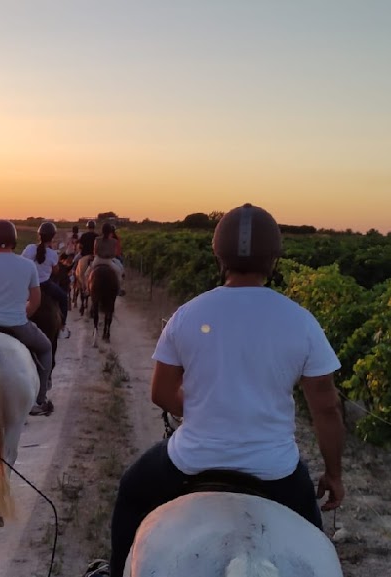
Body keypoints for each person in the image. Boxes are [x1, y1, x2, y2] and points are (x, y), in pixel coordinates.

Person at [88, 203, 346, 577]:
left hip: (191, 460)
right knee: (315, 544)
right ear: (274, 259)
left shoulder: (188, 314)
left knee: (131, 491)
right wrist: (334, 475)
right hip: (275, 468)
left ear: (218, 256)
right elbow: (327, 409)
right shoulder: (301, 321)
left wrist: (203, 408)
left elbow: (161, 393)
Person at [0, 220, 55, 416]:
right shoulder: (27, 265)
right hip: (18, 324)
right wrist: (20, 315)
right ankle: (39, 399)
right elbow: (35, 300)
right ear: (14, 240)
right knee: (46, 348)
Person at [22, 221, 70, 336]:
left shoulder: (29, 248)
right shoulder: (52, 254)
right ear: (52, 237)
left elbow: (22, 262)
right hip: (45, 285)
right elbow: (56, 271)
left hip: (29, 285)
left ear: (39, 235)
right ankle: (62, 327)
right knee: (63, 297)